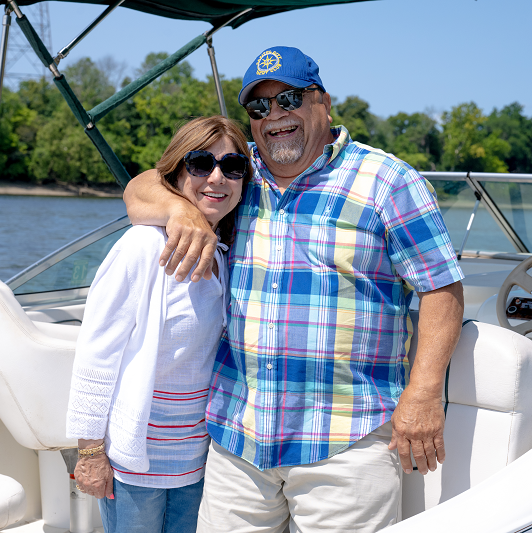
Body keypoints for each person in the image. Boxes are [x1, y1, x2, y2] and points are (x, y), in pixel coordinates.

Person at [124, 46, 465, 532]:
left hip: (346, 442)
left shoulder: (388, 181)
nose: (275, 117)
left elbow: (442, 288)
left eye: (288, 100)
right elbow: (139, 188)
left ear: (322, 101)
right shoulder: (238, 177)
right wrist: (181, 211)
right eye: (259, 108)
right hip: (237, 438)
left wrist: (424, 394)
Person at [65, 115, 250, 533]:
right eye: (201, 164)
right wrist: (91, 454)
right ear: (176, 173)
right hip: (136, 458)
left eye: (232, 167)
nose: (216, 177)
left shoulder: (224, 251)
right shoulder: (142, 246)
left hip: (199, 458)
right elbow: (97, 352)